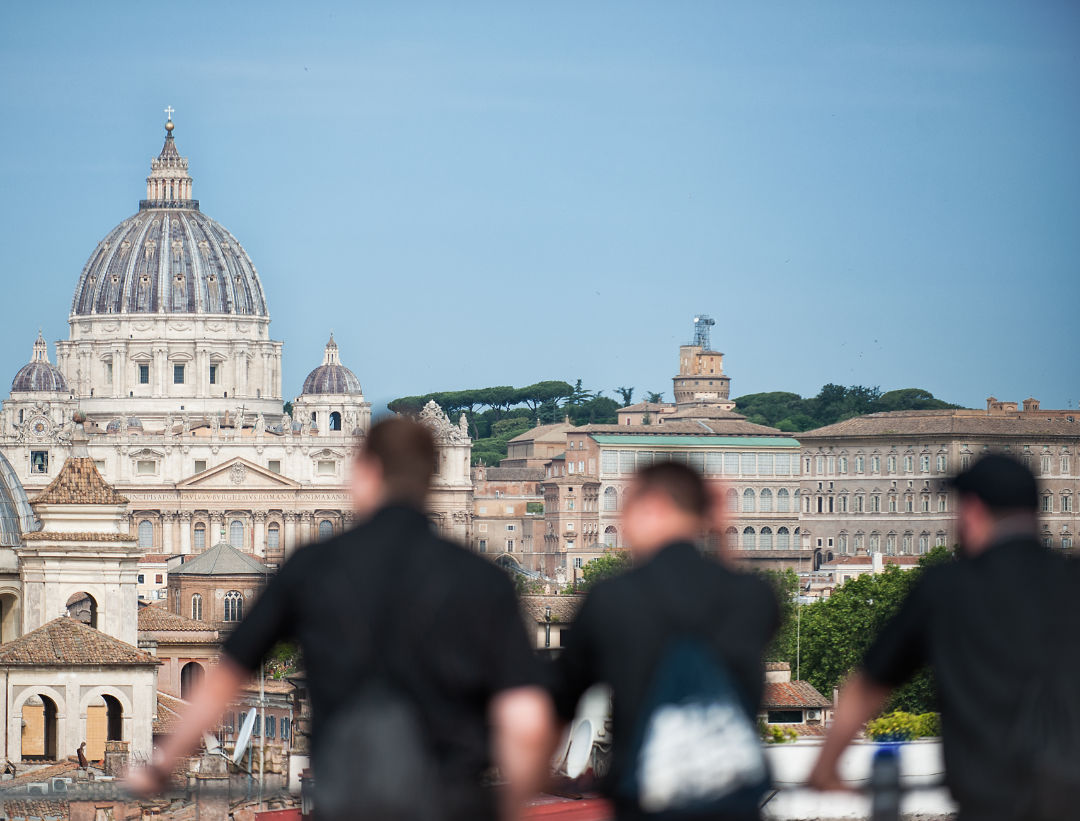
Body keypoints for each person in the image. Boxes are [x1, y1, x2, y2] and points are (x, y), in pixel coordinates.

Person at [130, 417, 555, 821]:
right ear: (430, 480)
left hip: (353, 795)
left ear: (365, 472)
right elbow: (528, 720)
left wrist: (163, 764)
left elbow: (226, 677)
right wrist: (512, 804)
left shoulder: (312, 567)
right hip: (452, 800)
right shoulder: (485, 579)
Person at [808, 454, 1080, 820]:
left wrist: (826, 767)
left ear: (972, 510)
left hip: (990, 797)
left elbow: (871, 683)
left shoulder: (947, 587)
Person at [550, 462, 779, 821]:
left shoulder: (611, 599)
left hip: (646, 806)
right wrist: (719, 530)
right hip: (733, 805)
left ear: (652, 506)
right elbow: (734, 588)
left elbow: (559, 704)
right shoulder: (756, 596)